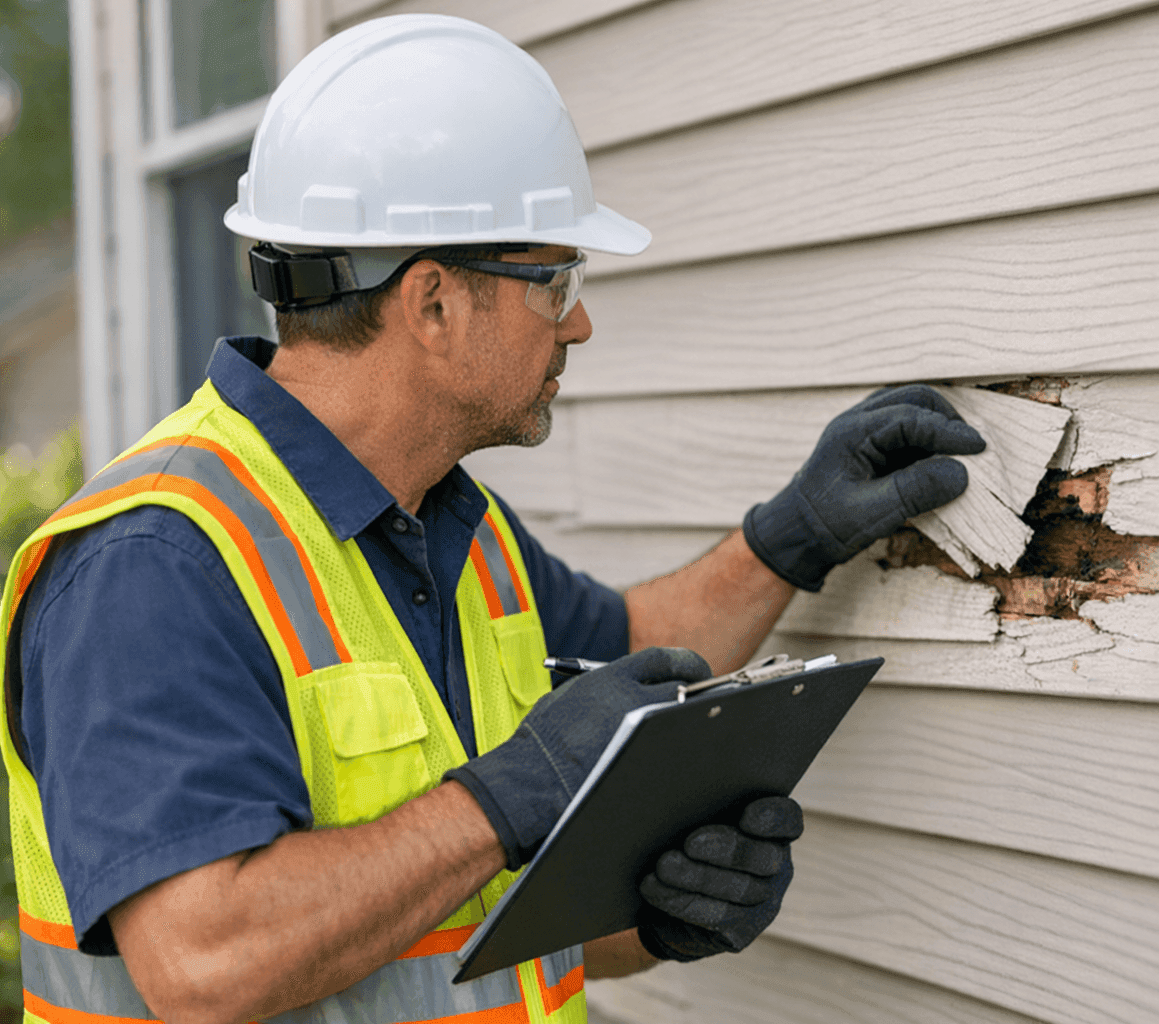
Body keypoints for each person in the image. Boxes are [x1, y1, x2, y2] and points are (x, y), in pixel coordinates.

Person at [0, 14, 985, 1024]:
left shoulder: (445, 522)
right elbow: (208, 963)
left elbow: (628, 669)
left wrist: (790, 540)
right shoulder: (155, 562)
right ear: (431, 303)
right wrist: (505, 799)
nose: (581, 322)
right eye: (555, 282)